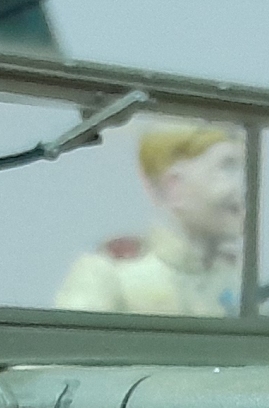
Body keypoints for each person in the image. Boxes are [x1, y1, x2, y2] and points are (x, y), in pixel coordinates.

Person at [53, 121, 245, 315]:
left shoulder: (236, 281)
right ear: (174, 187)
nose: (243, 188)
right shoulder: (110, 275)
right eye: (227, 168)